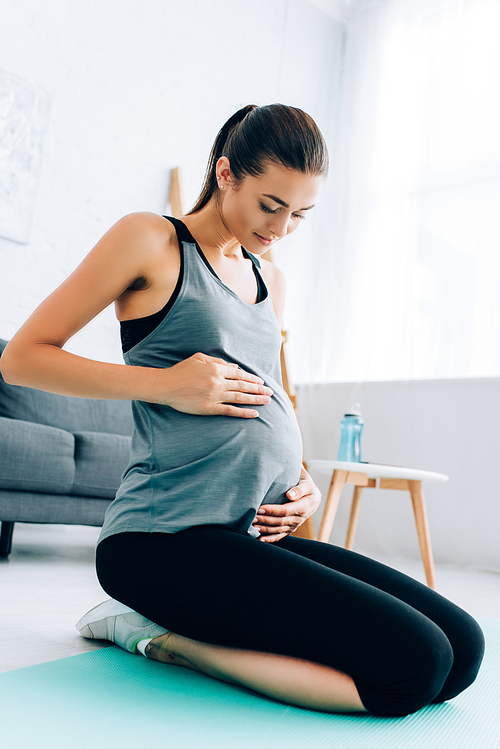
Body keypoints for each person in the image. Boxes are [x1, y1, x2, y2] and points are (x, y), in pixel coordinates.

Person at [1, 104, 484, 717]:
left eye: (300, 215)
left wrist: (303, 480)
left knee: (463, 649)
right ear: (227, 174)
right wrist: (167, 384)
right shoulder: (151, 240)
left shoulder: (268, 279)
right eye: (271, 205)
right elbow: (22, 358)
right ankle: (162, 639)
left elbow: (276, 399)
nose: (282, 229)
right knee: (413, 671)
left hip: (250, 537)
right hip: (162, 541)